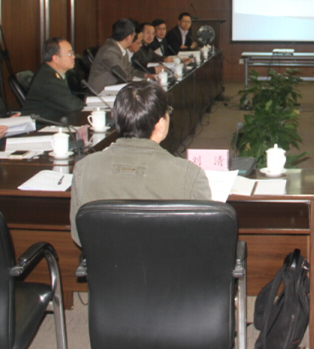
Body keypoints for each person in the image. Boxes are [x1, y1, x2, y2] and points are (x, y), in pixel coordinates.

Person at [69, 81, 212, 245]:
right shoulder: (190, 175)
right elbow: (203, 239)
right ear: (160, 124)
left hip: (106, 261)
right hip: (165, 262)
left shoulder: (84, 169)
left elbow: (79, 237)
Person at [21, 37, 85, 121]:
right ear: (56, 58)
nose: (73, 57)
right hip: (41, 126)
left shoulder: (51, 72)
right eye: (69, 54)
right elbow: (72, 105)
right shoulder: (48, 80)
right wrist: (89, 105)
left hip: (55, 121)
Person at [87, 19, 148, 94]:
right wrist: (141, 84)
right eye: (134, 35)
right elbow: (122, 75)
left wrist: (146, 76)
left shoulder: (121, 49)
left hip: (113, 89)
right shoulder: (110, 50)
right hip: (100, 93)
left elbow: (130, 71)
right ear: (129, 37)